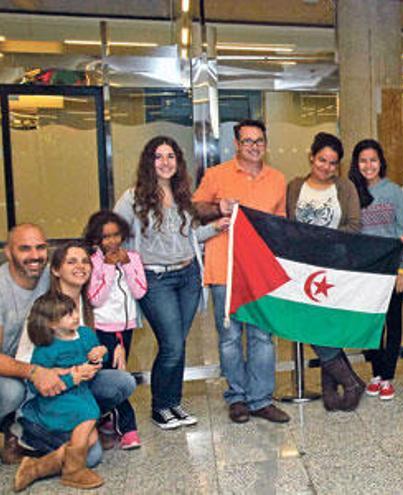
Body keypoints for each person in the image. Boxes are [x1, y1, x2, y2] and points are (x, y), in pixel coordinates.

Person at [115, 136, 223, 430]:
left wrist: (214, 229)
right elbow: (114, 232)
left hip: (187, 276)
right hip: (155, 278)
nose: (165, 162)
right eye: (159, 157)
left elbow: (187, 238)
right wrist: (121, 260)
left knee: (176, 343)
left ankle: (172, 403)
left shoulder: (182, 195)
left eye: (171, 156)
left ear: (178, 162)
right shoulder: (133, 197)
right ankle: (160, 406)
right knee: (172, 343)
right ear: (149, 162)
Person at [193, 118, 290, 424]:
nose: (254, 147)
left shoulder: (277, 179)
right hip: (225, 269)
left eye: (259, 141)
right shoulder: (216, 175)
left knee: (262, 337)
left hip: (261, 271)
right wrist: (218, 208)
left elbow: (281, 222)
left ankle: (261, 399)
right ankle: (237, 397)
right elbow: (195, 209)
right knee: (230, 337)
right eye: (247, 141)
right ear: (236, 144)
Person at [16, 241, 137, 468]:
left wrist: (109, 348)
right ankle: (30, 433)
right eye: (71, 261)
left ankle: (87, 424)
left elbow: (94, 345)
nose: (80, 266)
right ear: (55, 270)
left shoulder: (89, 303)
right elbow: (27, 363)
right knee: (91, 458)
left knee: (123, 382)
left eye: (84, 261)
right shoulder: (46, 309)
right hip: (49, 394)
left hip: (78, 387)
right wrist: (62, 373)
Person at [287, 132, 364, 412]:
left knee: (325, 327)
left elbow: (355, 226)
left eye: (333, 163)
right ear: (311, 156)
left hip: (335, 267)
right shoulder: (295, 186)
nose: (326, 167)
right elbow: (288, 226)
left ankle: (336, 388)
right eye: (322, 160)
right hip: (303, 269)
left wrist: (322, 236)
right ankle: (346, 383)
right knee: (314, 326)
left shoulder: (345, 188)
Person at [14, 293, 105, 491]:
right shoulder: (45, 350)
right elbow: (36, 386)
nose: (75, 315)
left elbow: (95, 360)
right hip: (57, 399)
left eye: (74, 310)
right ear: (52, 325)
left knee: (91, 438)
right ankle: (73, 471)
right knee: (89, 416)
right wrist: (72, 377)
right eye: (67, 314)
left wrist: (97, 358)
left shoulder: (86, 334)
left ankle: (36, 468)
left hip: (80, 393)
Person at [349, 139, 403, 401]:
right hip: (364, 271)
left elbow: (401, 233)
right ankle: (375, 373)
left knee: (392, 323)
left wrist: (402, 271)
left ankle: (388, 377)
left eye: (373, 160)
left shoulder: (394, 191)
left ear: (381, 162)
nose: (368, 165)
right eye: (363, 161)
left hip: (390, 268)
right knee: (370, 325)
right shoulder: (351, 190)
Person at [83, 211, 146, 450]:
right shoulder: (92, 262)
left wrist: (127, 266)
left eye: (116, 235)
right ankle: (128, 428)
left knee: (117, 375)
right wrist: (109, 268)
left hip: (126, 328)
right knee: (114, 376)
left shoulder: (133, 257)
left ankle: (108, 419)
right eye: (105, 237)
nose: (111, 241)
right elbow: (95, 298)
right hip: (102, 328)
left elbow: (140, 292)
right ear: (97, 239)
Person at [0, 224, 52, 463]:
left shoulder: (53, 276)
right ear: (8, 253)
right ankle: (8, 429)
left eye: (40, 247)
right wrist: (33, 372)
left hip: (35, 364)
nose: (35, 256)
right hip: (8, 371)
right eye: (25, 248)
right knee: (12, 391)